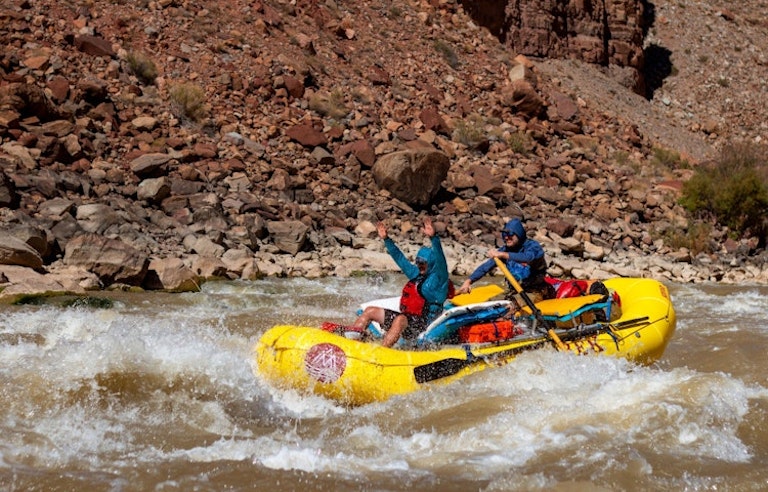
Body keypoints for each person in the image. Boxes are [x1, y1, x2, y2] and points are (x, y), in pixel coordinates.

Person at [351, 217, 450, 348]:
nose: (419, 265)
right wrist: (386, 239)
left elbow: (441, 259)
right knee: (370, 311)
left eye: (422, 263)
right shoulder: (416, 274)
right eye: (417, 262)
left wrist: (434, 238)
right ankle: (352, 343)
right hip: (408, 320)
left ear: (430, 263)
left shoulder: (440, 278)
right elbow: (400, 258)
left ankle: (383, 351)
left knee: (400, 319)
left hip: (423, 324)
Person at [457, 218, 552, 306]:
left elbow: (528, 257)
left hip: (536, 291)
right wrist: (468, 281)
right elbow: (485, 267)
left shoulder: (533, 247)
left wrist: (503, 255)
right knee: (493, 304)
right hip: (515, 291)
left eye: (510, 234)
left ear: (519, 234)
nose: (506, 238)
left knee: (510, 306)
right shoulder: (505, 250)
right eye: (504, 235)